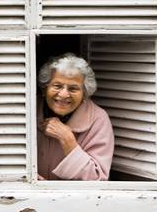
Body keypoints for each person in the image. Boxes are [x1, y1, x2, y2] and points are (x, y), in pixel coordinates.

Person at [37, 53, 114, 181]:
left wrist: (68, 140)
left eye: (73, 89)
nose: (63, 94)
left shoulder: (98, 119)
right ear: (45, 88)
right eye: (57, 86)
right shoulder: (27, 109)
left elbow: (97, 179)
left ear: (84, 93)